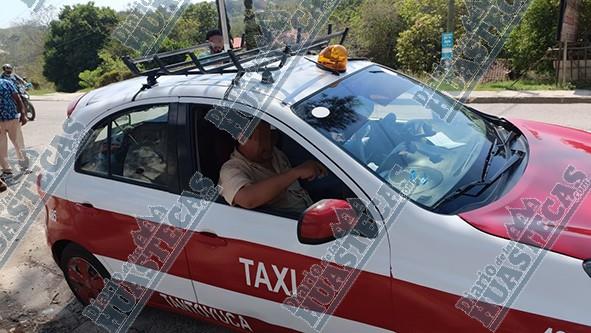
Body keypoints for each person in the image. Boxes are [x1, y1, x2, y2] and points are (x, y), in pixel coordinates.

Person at [219, 122, 325, 213]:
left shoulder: (275, 154)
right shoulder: (231, 169)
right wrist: (295, 173)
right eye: (262, 140)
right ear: (243, 139)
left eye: (270, 136)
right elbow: (247, 199)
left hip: (309, 211)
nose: (269, 146)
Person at [0, 77, 28, 181]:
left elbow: (18, 98)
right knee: (1, 147)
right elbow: (18, 98)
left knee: (18, 142)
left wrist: (23, 114)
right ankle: (7, 171)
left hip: (12, 118)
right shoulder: (6, 82)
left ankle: (24, 165)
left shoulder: (6, 83)